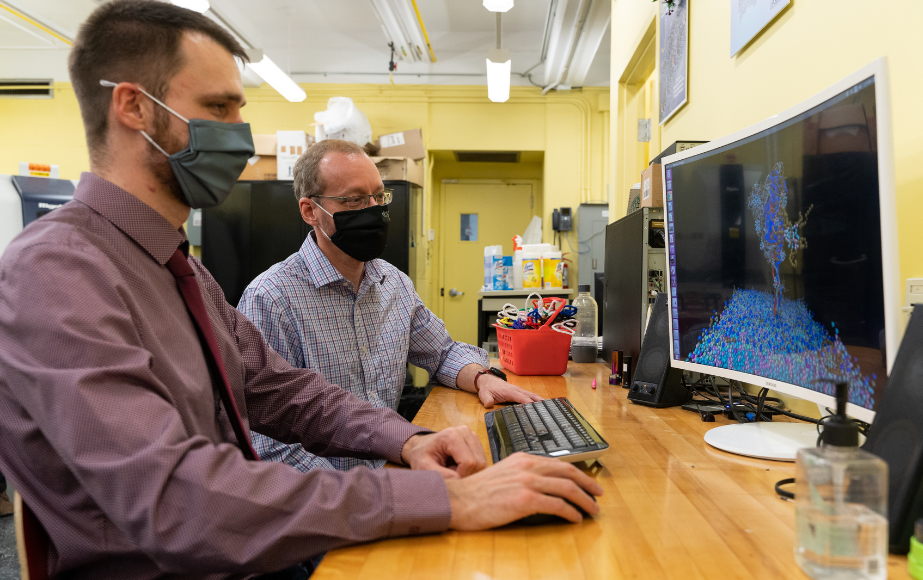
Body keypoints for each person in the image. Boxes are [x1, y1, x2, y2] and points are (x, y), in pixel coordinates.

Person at [0, 2, 601, 579]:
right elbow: (175, 498)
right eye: (217, 108)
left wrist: (411, 439)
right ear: (133, 106)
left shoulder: (174, 267)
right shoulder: (57, 271)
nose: (238, 136)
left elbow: (284, 393)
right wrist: (434, 500)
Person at [238, 139, 543, 472]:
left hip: (394, 463)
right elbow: (271, 452)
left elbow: (441, 353)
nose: (373, 210)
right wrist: (383, 489)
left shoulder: (393, 283)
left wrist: (483, 378)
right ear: (310, 211)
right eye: (354, 199)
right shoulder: (271, 299)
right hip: (333, 498)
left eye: (379, 197)